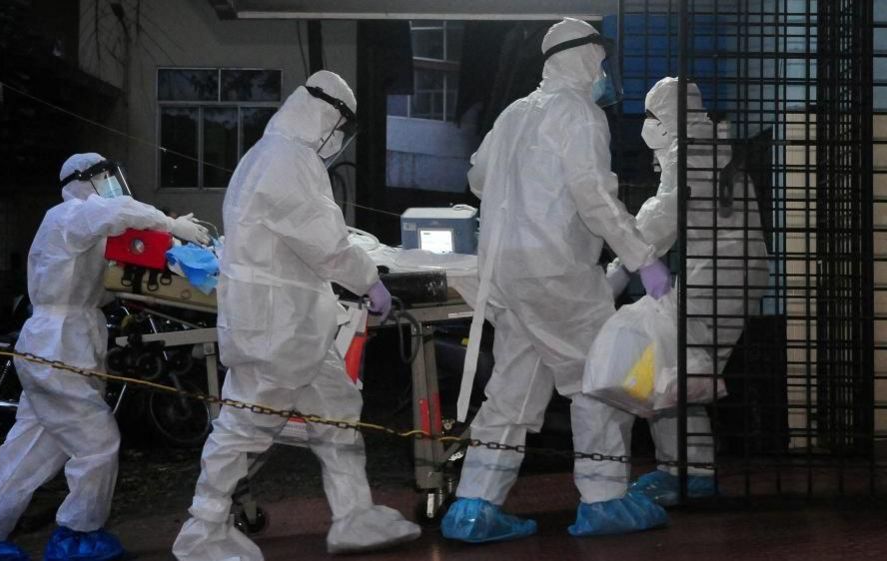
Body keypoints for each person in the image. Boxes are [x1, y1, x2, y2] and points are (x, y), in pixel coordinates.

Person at [172, 70, 421, 561]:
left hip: (293, 327)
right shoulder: (288, 158)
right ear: (328, 118)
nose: (340, 141)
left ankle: (354, 515)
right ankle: (202, 529)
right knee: (245, 426)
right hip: (276, 328)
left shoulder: (272, 155)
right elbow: (322, 239)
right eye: (341, 129)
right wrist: (368, 280)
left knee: (337, 411)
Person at [440, 18, 672, 544]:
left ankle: (473, 507)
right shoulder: (580, 115)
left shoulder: (514, 113)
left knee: (511, 393)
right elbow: (594, 199)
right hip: (559, 274)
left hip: (506, 274)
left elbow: (477, 177)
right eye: (600, 61)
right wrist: (641, 258)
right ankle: (605, 499)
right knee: (600, 382)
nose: (604, 73)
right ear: (585, 58)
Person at [0, 153, 210, 561]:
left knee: (31, 449)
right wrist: (168, 223)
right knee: (97, 444)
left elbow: (101, 285)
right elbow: (115, 211)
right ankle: (77, 536)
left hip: (62, 345)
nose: (110, 185)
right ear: (84, 181)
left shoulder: (84, 231)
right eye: (104, 178)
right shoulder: (69, 215)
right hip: (57, 348)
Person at [603, 77, 769, 507]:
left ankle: (690, 473)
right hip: (721, 271)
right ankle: (679, 469)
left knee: (670, 371)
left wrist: (623, 266)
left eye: (650, 116)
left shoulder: (691, 152)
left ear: (666, 118)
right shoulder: (707, 146)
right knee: (675, 371)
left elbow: (663, 215)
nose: (645, 126)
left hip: (721, 273)